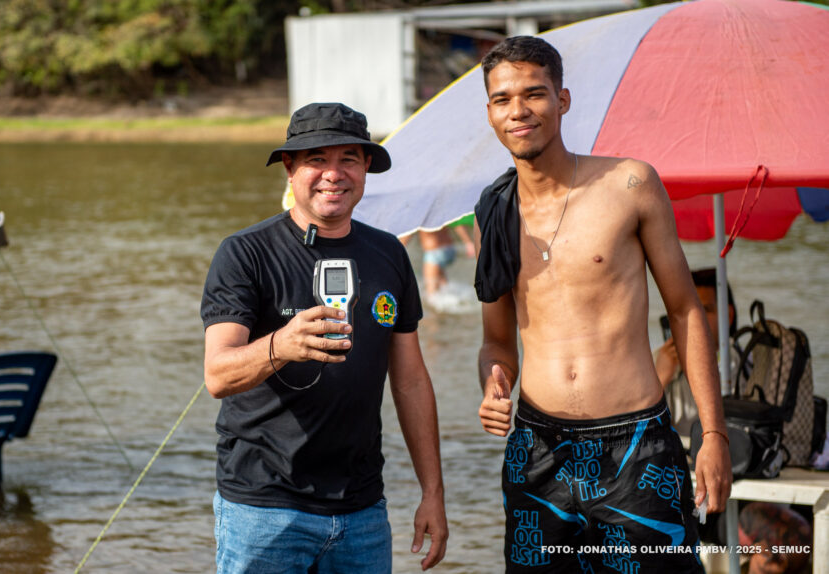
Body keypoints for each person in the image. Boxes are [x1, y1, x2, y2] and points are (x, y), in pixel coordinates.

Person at [473, 36, 732, 572]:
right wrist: (494, 384)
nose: (518, 111)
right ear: (490, 111)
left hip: (635, 447)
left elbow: (685, 309)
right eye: (502, 99)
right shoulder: (492, 211)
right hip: (536, 448)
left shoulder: (630, 183)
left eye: (534, 94)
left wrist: (713, 434)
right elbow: (498, 340)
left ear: (562, 100)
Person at [201, 102, 447, 573]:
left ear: (367, 168)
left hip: (362, 511)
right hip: (263, 509)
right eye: (316, 159)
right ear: (290, 169)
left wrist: (432, 493)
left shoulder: (389, 253)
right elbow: (217, 374)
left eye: (349, 159)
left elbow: (412, 382)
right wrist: (282, 345)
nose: (333, 174)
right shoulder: (244, 253)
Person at [655, 267, 738, 436]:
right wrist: (660, 377)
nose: (695, 319)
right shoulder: (658, 360)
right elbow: (632, 423)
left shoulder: (742, 363)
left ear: (728, 315)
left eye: (705, 310)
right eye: (685, 312)